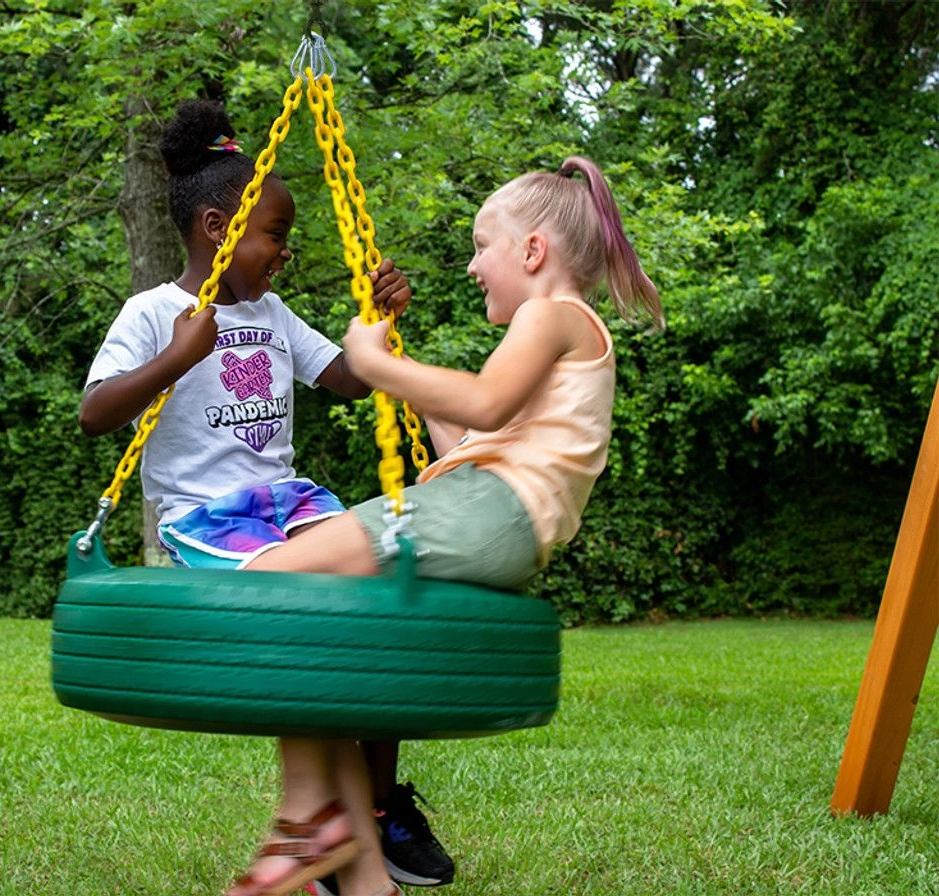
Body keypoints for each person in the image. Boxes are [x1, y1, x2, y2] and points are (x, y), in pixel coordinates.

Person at [227, 155, 664, 896]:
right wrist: (398, 359)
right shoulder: (559, 333)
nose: (471, 267)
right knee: (316, 614)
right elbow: (467, 448)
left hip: (491, 513)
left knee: (268, 581)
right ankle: (361, 871)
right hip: (489, 513)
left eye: (480, 245)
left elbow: (485, 404)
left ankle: (312, 818)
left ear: (533, 251)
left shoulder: (552, 315)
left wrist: (370, 359)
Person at [77, 99, 454, 889]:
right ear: (218, 227)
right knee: (304, 607)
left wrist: (375, 321)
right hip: (203, 522)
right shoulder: (153, 313)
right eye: (274, 235)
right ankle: (329, 823)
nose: (283, 253)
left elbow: (347, 378)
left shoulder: (274, 314)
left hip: (289, 502)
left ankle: (377, 811)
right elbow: (95, 412)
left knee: (385, 583)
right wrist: (176, 359)